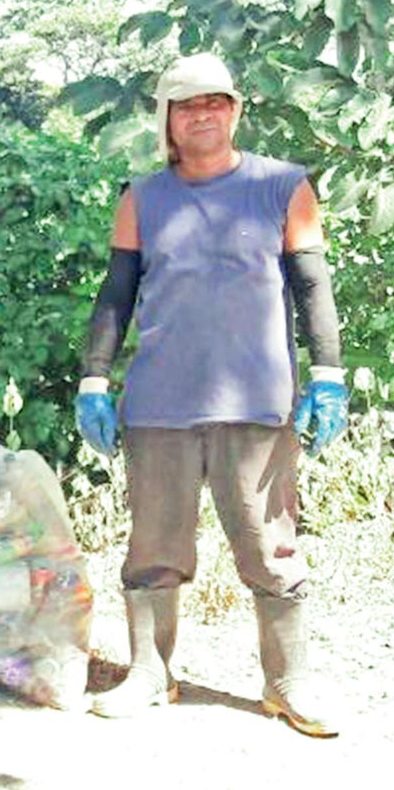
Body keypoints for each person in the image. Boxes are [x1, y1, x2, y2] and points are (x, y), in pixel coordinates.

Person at [74, 52, 349, 737]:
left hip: (258, 403)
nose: (205, 113)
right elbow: (117, 294)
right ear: (167, 118)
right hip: (161, 404)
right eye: (189, 104)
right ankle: (150, 674)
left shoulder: (284, 187)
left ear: (235, 110)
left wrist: (329, 375)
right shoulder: (143, 197)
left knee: (270, 548)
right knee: (153, 549)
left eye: (217, 101)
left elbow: (313, 286)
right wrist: (94, 380)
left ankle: (288, 683)